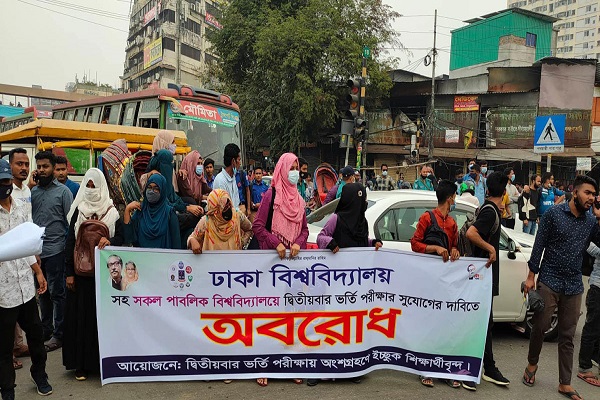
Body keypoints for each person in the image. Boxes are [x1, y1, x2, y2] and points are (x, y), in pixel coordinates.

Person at [522, 175, 600, 400]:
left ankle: (565, 383)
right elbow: (539, 245)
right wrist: (531, 277)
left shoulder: (590, 221)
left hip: (574, 285)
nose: (591, 198)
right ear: (575, 193)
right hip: (550, 279)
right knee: (540, 326)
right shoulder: (553, 215)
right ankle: (532, 364)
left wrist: (599, 218)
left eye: (594, 195)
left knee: (567, 335)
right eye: (587, 193)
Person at [312, 182, 382, 387]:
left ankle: (350, 368)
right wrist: (331, 243)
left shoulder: (363, 222)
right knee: (330, 324)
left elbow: (361, 243)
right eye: (361, 200)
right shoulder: (336, 219)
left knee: (350, 326)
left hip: (354, 285)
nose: (363, 204)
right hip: (335, 283)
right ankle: (323, 370)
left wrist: (373, 243)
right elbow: (321, 237)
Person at [252, 153, 308, 387]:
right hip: (271, 267)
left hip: (292, 268)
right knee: (270, 315)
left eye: (297, 167)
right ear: (282, 169)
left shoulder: (300, 199)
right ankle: (264, 364)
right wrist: (276, 243)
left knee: (290, 316)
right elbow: (257, 226)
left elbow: (304, 230)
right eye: (291, 167)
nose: (294, 172)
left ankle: (290, 364)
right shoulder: (271, 195)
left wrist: (299, 243)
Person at [63, 168, 123, 381]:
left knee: (102, 319)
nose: (90, 189)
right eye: (87, 185)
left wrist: (110, 241)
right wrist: (69, 273)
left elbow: (123, 238)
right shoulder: (79, 211)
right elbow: (70, 242)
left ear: (101, 186)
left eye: (94, 185)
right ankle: (80, 365)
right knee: (82, 319)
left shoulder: (112, 212)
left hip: (105, 276)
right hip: (82, 275)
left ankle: (101, 363)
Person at [0, 159, 53, 400]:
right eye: (1, 182)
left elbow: (27, 245)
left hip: (25, 286)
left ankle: (39, 374)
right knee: (4, 347)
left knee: (36, 337)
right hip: (4, 292)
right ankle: (7, 390)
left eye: (6, 181)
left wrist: (38, 271)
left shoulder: (21, 209)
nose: (4, 186)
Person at [410, 179, 461, 389]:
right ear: (449, 198)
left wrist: (455, 251)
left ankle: (445, 369)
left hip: (445, 280)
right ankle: (425, 369)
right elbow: (415, 244)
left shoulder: (452, 223)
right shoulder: (426, 218)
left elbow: (455, 246)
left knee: (445, 325)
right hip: (427, 279)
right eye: (454, 196)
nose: (455, 200)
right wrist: (435, 249)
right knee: (428, 324)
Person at [465, 171, 510, 390]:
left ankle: (487, 368)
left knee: (484, 323)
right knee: (480, 324)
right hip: (481, 276)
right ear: (504, 191)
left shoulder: (489, 209)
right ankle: (473, 369)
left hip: (482, 276)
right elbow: (471, 233)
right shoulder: (490, 212)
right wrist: (491, 248)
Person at [31, 151, 73, 352]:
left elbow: (70, 223)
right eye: (39, 166)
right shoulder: (33, 192)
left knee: (57, 293)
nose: (41, 170)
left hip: (56, 250)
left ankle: (60, 334)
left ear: (53, 168)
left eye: (45, 166)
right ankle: (45, 330)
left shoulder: (64, 192)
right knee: (42, 294)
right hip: (36, 253)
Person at [8, 149, 32, 366]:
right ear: (9, 166)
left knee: (23, 302)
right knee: (8, 306)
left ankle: (18, 344)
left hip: (25, 255)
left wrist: (34, 256)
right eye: (19, 164)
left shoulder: (26, 190)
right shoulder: (8, 191)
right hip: (7, 259)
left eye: (26, 164)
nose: (24, 168)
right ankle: (9, 354)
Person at [124, 174, 181, 249]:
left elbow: (176, 244)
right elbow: (129, 237)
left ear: (162, 191)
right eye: (149, 187)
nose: (151, 191)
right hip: (142, 255)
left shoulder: (169, 213)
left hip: (164, 256)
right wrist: (127, 210)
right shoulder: (141, 210)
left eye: (156, 188)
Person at [187, 189, 252, 254]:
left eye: (228, 204)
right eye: (224, 207)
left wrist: (242, 242)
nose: (228, 208)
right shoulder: (206, 221)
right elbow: (192, 237)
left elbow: (249, 229)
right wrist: (193, 241)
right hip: (212, 259)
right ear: (215, 211)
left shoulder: (237, 215)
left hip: (234, 258)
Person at [577, 242, 600, 388]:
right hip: (598, 287)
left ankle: (594, 358)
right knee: (592, 328)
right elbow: (586, 243)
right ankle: (584, 367)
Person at [213, 143, 241, 209]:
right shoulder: (220, 180)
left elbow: (236, 203)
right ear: (233, 161)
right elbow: (224, 208)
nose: (240, 163)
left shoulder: (233, 177)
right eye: (239, 160)